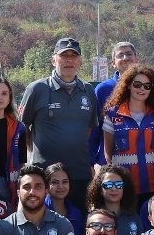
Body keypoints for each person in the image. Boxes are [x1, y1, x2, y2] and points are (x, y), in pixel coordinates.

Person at [21, 37, 100, 204]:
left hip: (79, 174)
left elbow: (89, 129)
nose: (69, 60)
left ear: (80, 61)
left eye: (73, 56)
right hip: (44, 174)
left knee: (77, 218)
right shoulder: (36, 89)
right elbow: (22, 128)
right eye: (64, 56)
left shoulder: (88, 90)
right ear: (53, 60)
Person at [103, 65, 154, 198]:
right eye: (137, 84)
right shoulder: (112, 115)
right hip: (125, 186)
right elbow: (108, 155)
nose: (142, 89)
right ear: (128, 85)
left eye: (147, 86)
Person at [89, 42, 139, 168]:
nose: (125, 58)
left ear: (136, 58)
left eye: (129, 54)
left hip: (142, 160)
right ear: (113, 63)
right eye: (120, 55)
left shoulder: (147, 87)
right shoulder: (103, 89)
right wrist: (91, 161)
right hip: (109, 163)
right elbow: (94, 128)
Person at [86, 165, 143, 235]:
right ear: (100, 189)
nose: (114, 188)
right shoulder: (92, 217)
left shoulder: (134, 217)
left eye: (119, 185)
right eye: (108, 185)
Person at [45, 162, 86, 235]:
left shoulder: (76, 214)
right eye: (55, 182)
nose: (60, 186)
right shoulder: (39, 212)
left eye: (65, 182)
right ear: (46, 185)